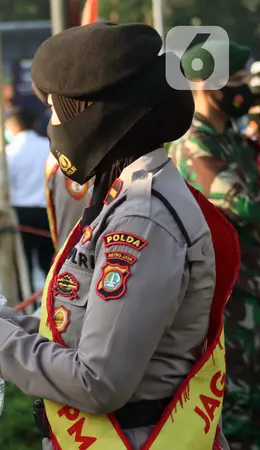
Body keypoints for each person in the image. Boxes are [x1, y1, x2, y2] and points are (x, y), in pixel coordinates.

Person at [0, 23, 238, 449]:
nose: (51, 127)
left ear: (93, 116)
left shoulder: (142, 220)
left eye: (57, 111)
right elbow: (78, 336)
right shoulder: (123, 200)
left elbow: (96, 380)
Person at [168, 40, 260, 449]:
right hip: (229, 313)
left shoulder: (237, 143)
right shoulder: (193, 145)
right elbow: (245, 203)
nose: (245, 90)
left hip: (252, 305)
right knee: (233, 421)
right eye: (237, 81)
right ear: (204, 83)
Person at [3, 108, 54, 293]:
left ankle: (25, 303)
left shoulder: (8, 152)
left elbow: (1, 186)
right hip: (46, 212)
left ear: (13, 126)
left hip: (19, 214)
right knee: (50, 263)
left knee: (22, 267)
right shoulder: (47, 146)